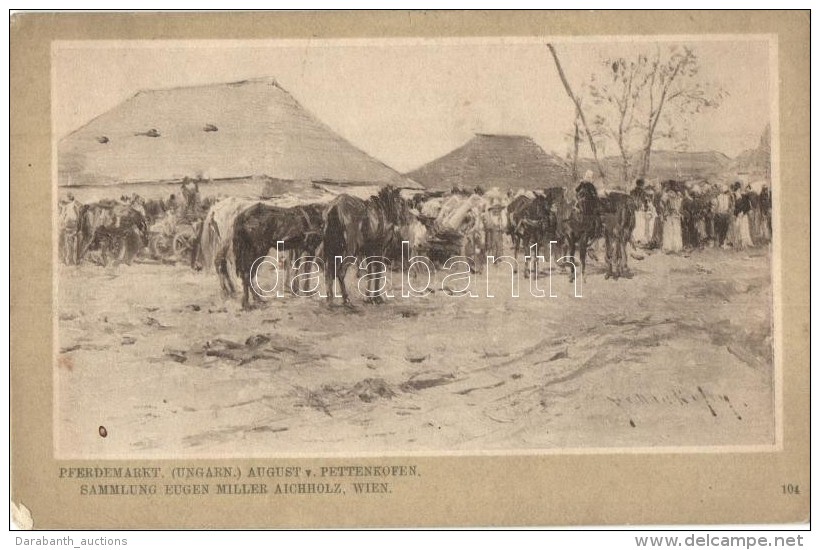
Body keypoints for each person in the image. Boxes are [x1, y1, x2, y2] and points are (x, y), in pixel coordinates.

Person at [661, 188, 683, 253]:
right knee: (672, 231)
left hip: (672, 217)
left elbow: (671, 209)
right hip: (672, 217)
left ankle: (673, 247)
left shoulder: (673, 200)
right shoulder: (675, 200)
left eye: (672, 193)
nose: (671, 194)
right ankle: (672, 247)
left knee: (672, 231)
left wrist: (667, 213)